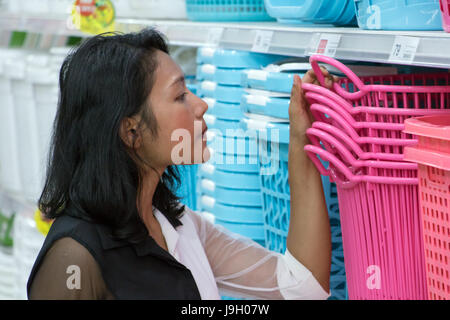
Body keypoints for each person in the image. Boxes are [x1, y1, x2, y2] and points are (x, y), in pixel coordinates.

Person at [27, 28, 335, 300]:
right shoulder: (74, 258)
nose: (201, 105)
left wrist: (299, 136)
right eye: (180, 96)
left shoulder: (179, 226)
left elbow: (301, 287)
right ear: (132, 132)